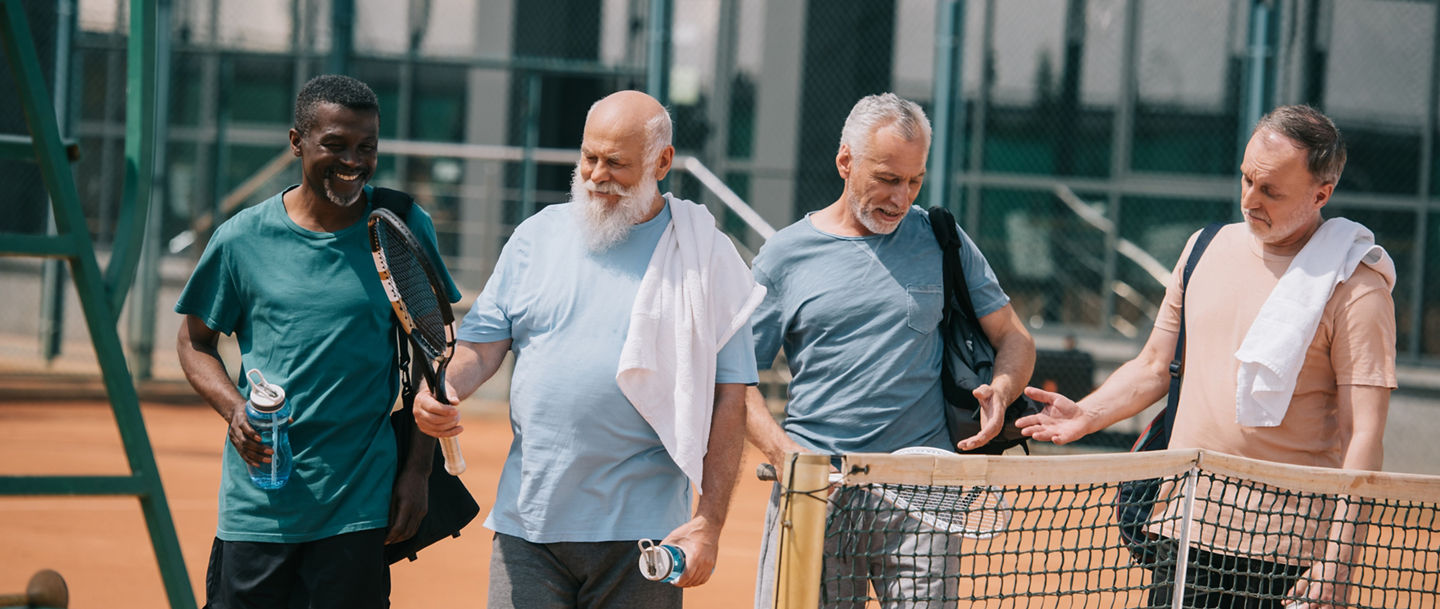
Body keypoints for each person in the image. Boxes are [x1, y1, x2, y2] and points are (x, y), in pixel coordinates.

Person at [1018, 105, 1396, 609]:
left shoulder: (1358, 289)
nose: (1249, 198)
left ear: (1321, 194)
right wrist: (1087, 413)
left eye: (1271, 190)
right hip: (1183, 527)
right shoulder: (1204, 247)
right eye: (1245, 179)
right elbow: (1154, 365)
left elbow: (1362, 435)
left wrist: (1339, 558)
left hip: (1283, 554)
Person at [412, 90, 759, 609]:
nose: (597, 175)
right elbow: (481, 350)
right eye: (589, 157)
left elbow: (730, 399)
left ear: (661, 162)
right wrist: (443, 387)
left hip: (645, 536)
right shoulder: (535, 237)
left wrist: (708, 524)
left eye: (617, 163)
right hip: (529, 523)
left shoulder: (705, 255)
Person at [175, 74, 459, 609]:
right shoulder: (242, 239)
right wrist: (235, 409)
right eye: (335, 144)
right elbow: (195, 343)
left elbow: (431, 351)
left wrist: (418, 471)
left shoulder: (399, 222)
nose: (353, 160)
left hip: (358, 503)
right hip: (258, 506)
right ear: (296, 142)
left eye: (367, 146)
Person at [746, 93, 1036, 608]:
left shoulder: (942, 239)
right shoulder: (784, 256)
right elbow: (735, 378)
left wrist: (1004, 390)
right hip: (819, 493)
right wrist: (785, 455)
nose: (900, 198)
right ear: (845, 162)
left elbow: (1013, 337)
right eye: (886, 178)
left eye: (914, 181)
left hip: (924, 494)